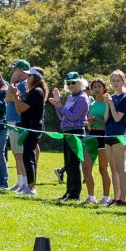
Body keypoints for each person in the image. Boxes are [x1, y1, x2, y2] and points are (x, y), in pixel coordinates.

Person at [50, 71, 90, 201]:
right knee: (68, 164)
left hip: (76, 132)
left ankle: (74, 195)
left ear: (80, 83)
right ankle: (68, 192)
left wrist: (60, 105)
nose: (71, 85)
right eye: (69, 83)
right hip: (67, 132)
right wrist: (58, 104)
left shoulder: (83, 98)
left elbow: (73, 117)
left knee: (73, 163)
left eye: (74, 82)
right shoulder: (70, 97)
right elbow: (62, 116)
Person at [11, 67, 47, 195]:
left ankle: (31, 187)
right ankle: (29, 185)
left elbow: (20, 109)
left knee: (28, 156)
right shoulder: (33, 92)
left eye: (29, 76)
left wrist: (15, 96)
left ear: (35, 78)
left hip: (33, 127)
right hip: (29, 126)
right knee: (27, 156)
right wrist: (18, 98)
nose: (27, 78)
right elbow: (20, 109)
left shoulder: (36, 92)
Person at [103, 70, 126, 207]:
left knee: (121, 168)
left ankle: (123, 199)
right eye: (113, 80)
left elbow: (117, 118)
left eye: (118, 80)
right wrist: (108, 103)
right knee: (112, 168)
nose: (115, 83)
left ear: (123, 81)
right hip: (108, 135)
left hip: (119, 135)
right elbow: (106, 118)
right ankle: (116, 198)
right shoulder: (112, 97)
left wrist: (110, 104)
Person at [83, 78, 112, 204]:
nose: (97, 89)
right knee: (86, 168)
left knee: (102, 169)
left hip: (103, 137)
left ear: (104, 88)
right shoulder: (92, 104)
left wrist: (98, 121)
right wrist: (89, 123)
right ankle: (91, 197)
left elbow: (110, 124)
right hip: (92, 135)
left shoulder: (108, 103)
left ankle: (106, 198)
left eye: (99, 86)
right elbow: (90, 124)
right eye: (94, 87)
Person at [5, 59, 30, 191]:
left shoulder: (22, 84)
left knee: (20, 154)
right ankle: (20, 182)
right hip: (12, 120)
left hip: (17, 120)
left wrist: (12, 81)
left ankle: (25, 183)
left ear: (21, 70)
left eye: (15, 69)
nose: (13, 72)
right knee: (16, 154)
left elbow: (8, 98)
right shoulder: (19, 83)